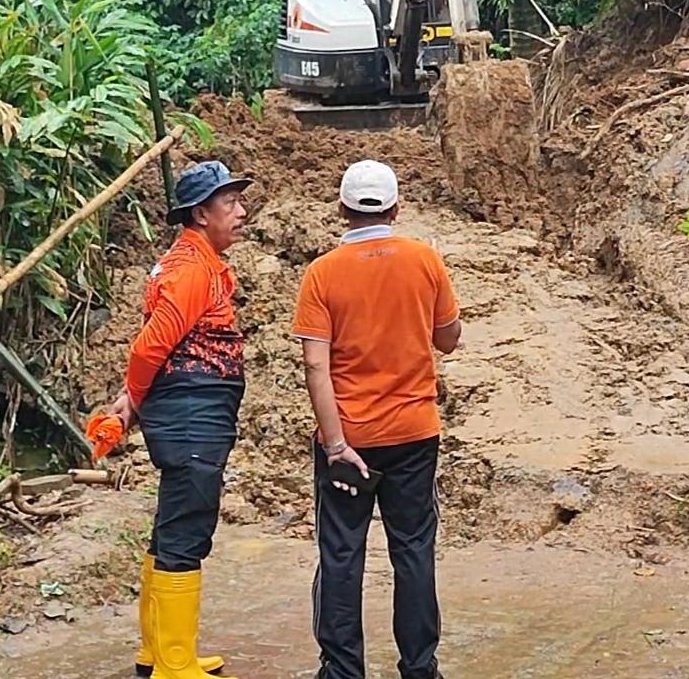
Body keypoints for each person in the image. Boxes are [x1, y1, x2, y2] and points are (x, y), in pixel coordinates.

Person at [292, 160, 462, 679]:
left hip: (350, 440)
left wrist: (337, 443)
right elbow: (449, 338)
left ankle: (342, 671)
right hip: (414, 434)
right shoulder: (424, 261)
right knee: (412, 549)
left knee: (341, 554)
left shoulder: (322, 274)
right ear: (397, 207)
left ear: (342, 210)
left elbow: (315, 365)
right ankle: (419, 667)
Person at [109, 160, 254, 679]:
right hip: (191, 411)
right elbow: (152, 344)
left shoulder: (194, 262)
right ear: (199, 214)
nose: (242, 211)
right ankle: (173, 665)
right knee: (188, 526)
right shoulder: (191, 269)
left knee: (174, 522)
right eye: (230, 202)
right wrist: (132, 394)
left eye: (240, 199)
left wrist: (132, 400)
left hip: (191, 409)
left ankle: (161, 654)